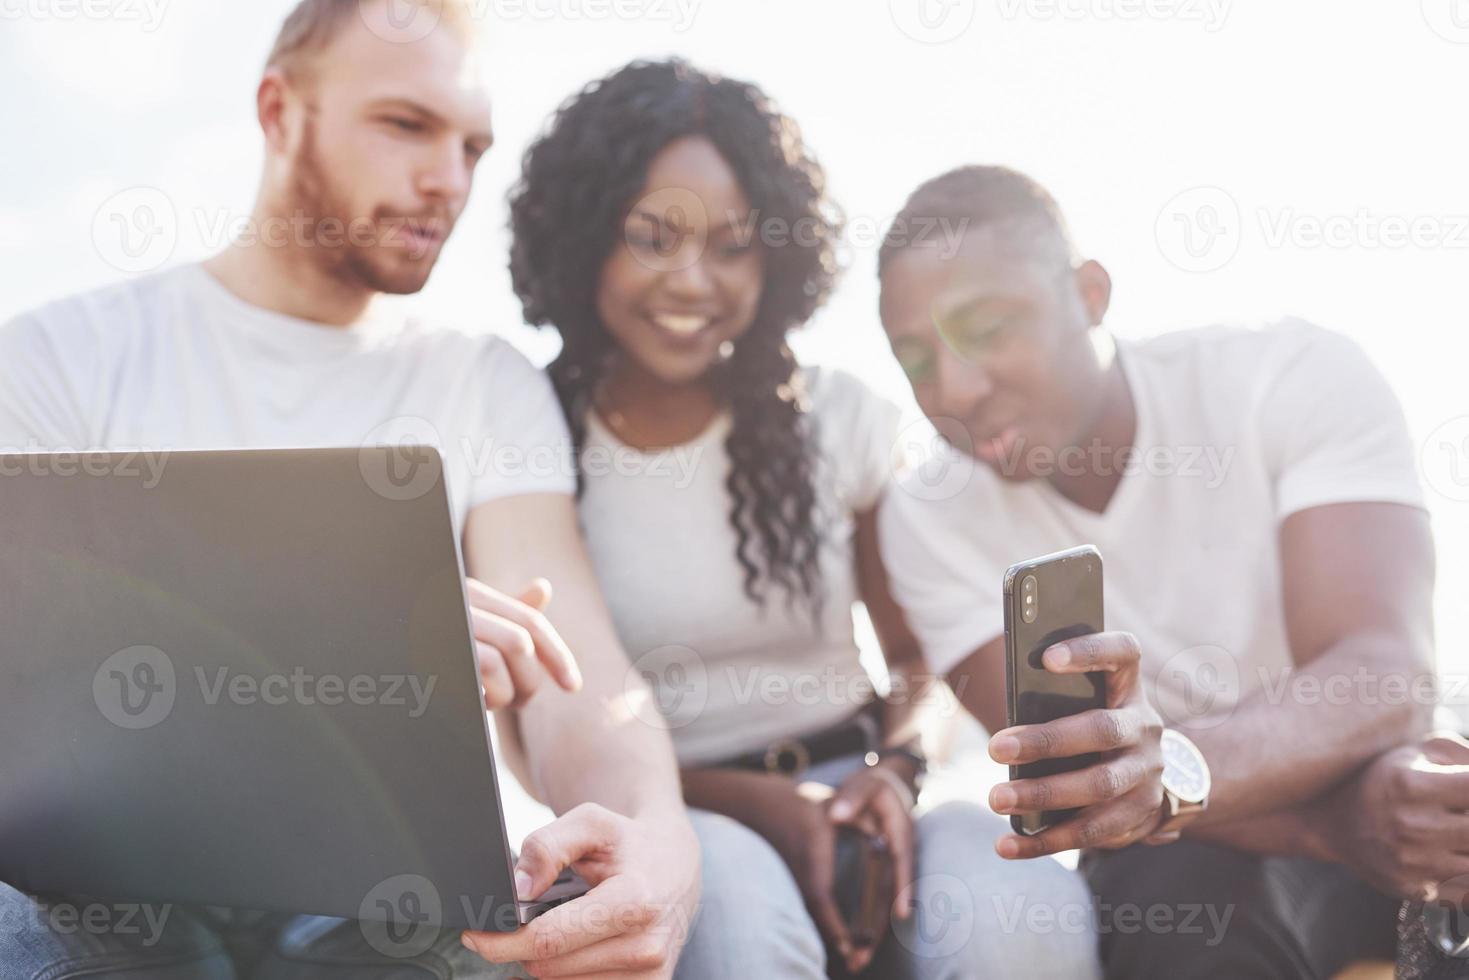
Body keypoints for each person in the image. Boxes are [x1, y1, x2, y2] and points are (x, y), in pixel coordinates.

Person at [0, 2, 700, 977]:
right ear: (281, 111)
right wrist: (348, 640)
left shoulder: (480, 381)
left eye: (471, 146)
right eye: (405, 125)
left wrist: (658, 833)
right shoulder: (57, 359)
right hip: (90, 903)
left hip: (387, 919)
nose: (446, 179)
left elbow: (577, 678)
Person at [506, 59, 1105, 979]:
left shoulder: (836, 416)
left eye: (734, 245)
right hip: (676, 814)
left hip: (857, 780)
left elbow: (920, 664)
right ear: (584, 237)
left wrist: (893, 773)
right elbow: (536, 732)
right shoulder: (530, 449)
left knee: (1015, 904)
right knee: (741, 930)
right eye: (653, 237)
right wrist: (754, 804)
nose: (693, 279)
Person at [877, 164, 1444, 977]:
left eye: (985, 327)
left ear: (1089, 294)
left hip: (1382, 790)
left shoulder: (1283, 376)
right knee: (1180, 912)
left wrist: (1182, 767)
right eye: (915, 359)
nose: (954, 390)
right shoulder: (925, 514)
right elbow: (1075, 783)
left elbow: (1383, 671)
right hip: (1186, 841)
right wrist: (1324, 825)